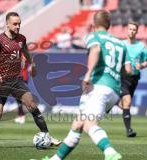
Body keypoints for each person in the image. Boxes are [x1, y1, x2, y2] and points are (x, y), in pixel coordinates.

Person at [42, 10, 132, 160]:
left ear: (94, 25)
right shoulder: (121, 44)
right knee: (78, 124)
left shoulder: (93, 36)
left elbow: (95, 49)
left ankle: (110, 152)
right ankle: (55, 159)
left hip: (97, 86)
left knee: (89, 124)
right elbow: (128, 69)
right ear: (109, 25)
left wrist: (88, 75)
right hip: (114, 90)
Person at [0, 12, 61, 149]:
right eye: (15, 24)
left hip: (17, 80)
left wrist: (32, 64)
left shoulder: (22, 38)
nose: (18, 26)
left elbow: (25, 51)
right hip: (1, 82)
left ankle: (46, 135)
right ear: (7, 24)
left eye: (19, 23)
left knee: (32, 105)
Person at [120, 21, 147, 137]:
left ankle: (114, 102)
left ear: (136, 32)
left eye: (133, 30)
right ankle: (129, 130)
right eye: (130, 29)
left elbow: (146, 61)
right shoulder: (121, 44)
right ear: (127, 30)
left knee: (125, 104)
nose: (131, 31)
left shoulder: (141, 46)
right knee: (127, 102)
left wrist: (141, 65)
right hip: (122, 76)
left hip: (134, 78)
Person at [14, 55, 29, 124]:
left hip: (22, 78)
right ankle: (21, 115)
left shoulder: (23, 54)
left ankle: (22, 116)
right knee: (18, 99)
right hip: (18, 78)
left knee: (21, 98)